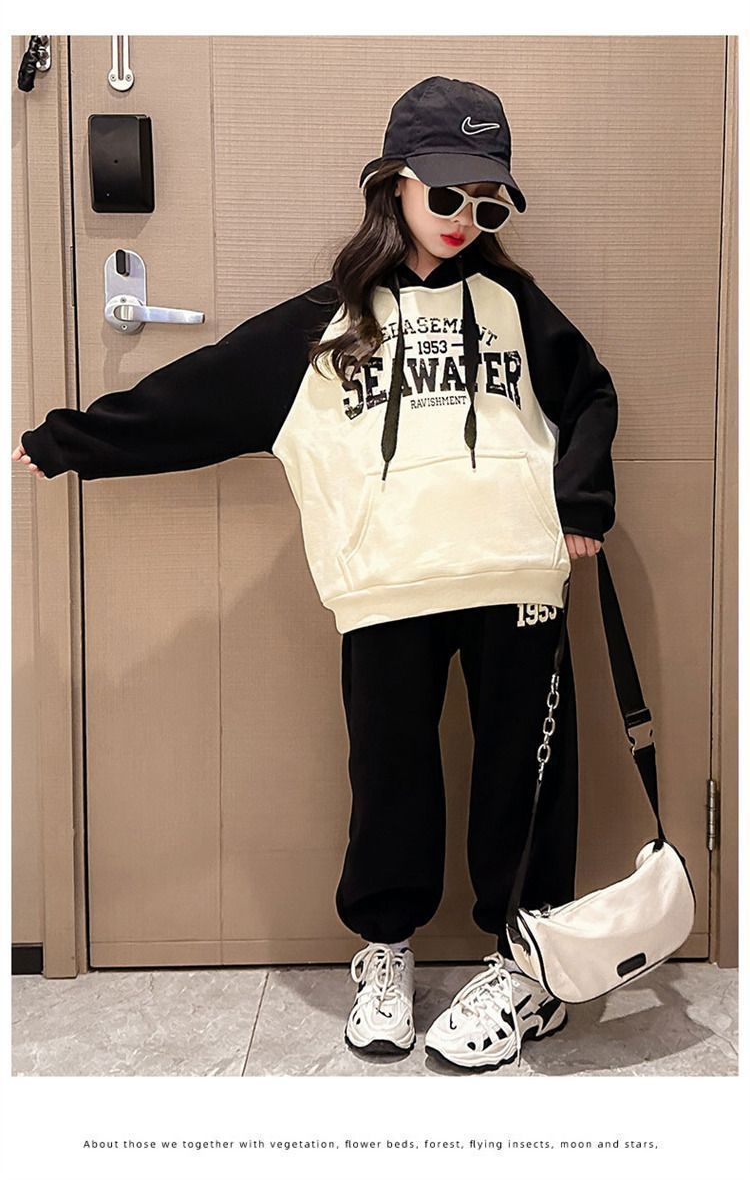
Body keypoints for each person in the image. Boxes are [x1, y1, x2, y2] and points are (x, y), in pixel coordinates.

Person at [13, 75, 617, 1072]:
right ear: (394, 184)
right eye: (445, 194)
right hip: (385, 585)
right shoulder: (325, 324)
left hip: (518, 580)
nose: (463, 219)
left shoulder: (516, 306)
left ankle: (529, 965)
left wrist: (583, 502)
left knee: (526, 777)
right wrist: (74, 440)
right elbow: (202, 395)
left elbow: (591, 395)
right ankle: (385, 947)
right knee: (389, 777)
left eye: (486, 204)